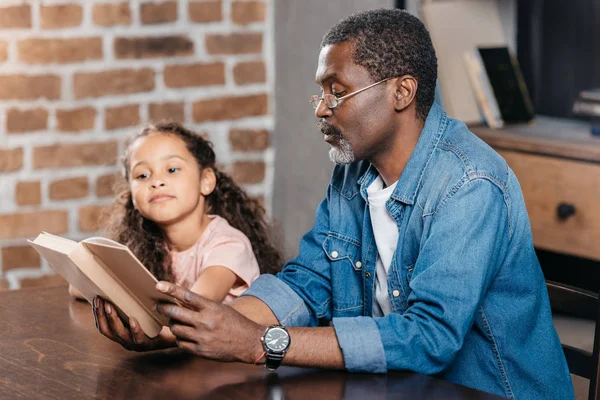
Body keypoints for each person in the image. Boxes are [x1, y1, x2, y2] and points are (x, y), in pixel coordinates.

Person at [95, 9, 573, 399]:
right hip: (398, 386)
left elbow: (428, 338)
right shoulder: (353, 171)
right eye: (320, 92)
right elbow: (309, 282)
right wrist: (183, 328)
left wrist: (261, 344)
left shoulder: (470, 185)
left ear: (401, 92)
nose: (321, 108)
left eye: (337, 92)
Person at [89, 121, 281, 350]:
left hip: (230, 369)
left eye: (172, 169)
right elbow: (78, 287)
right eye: (142, 175)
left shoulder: (229, 245)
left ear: (206, 180)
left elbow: (191, 311)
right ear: (131, 194)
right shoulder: (143, 244)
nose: (156, 182)